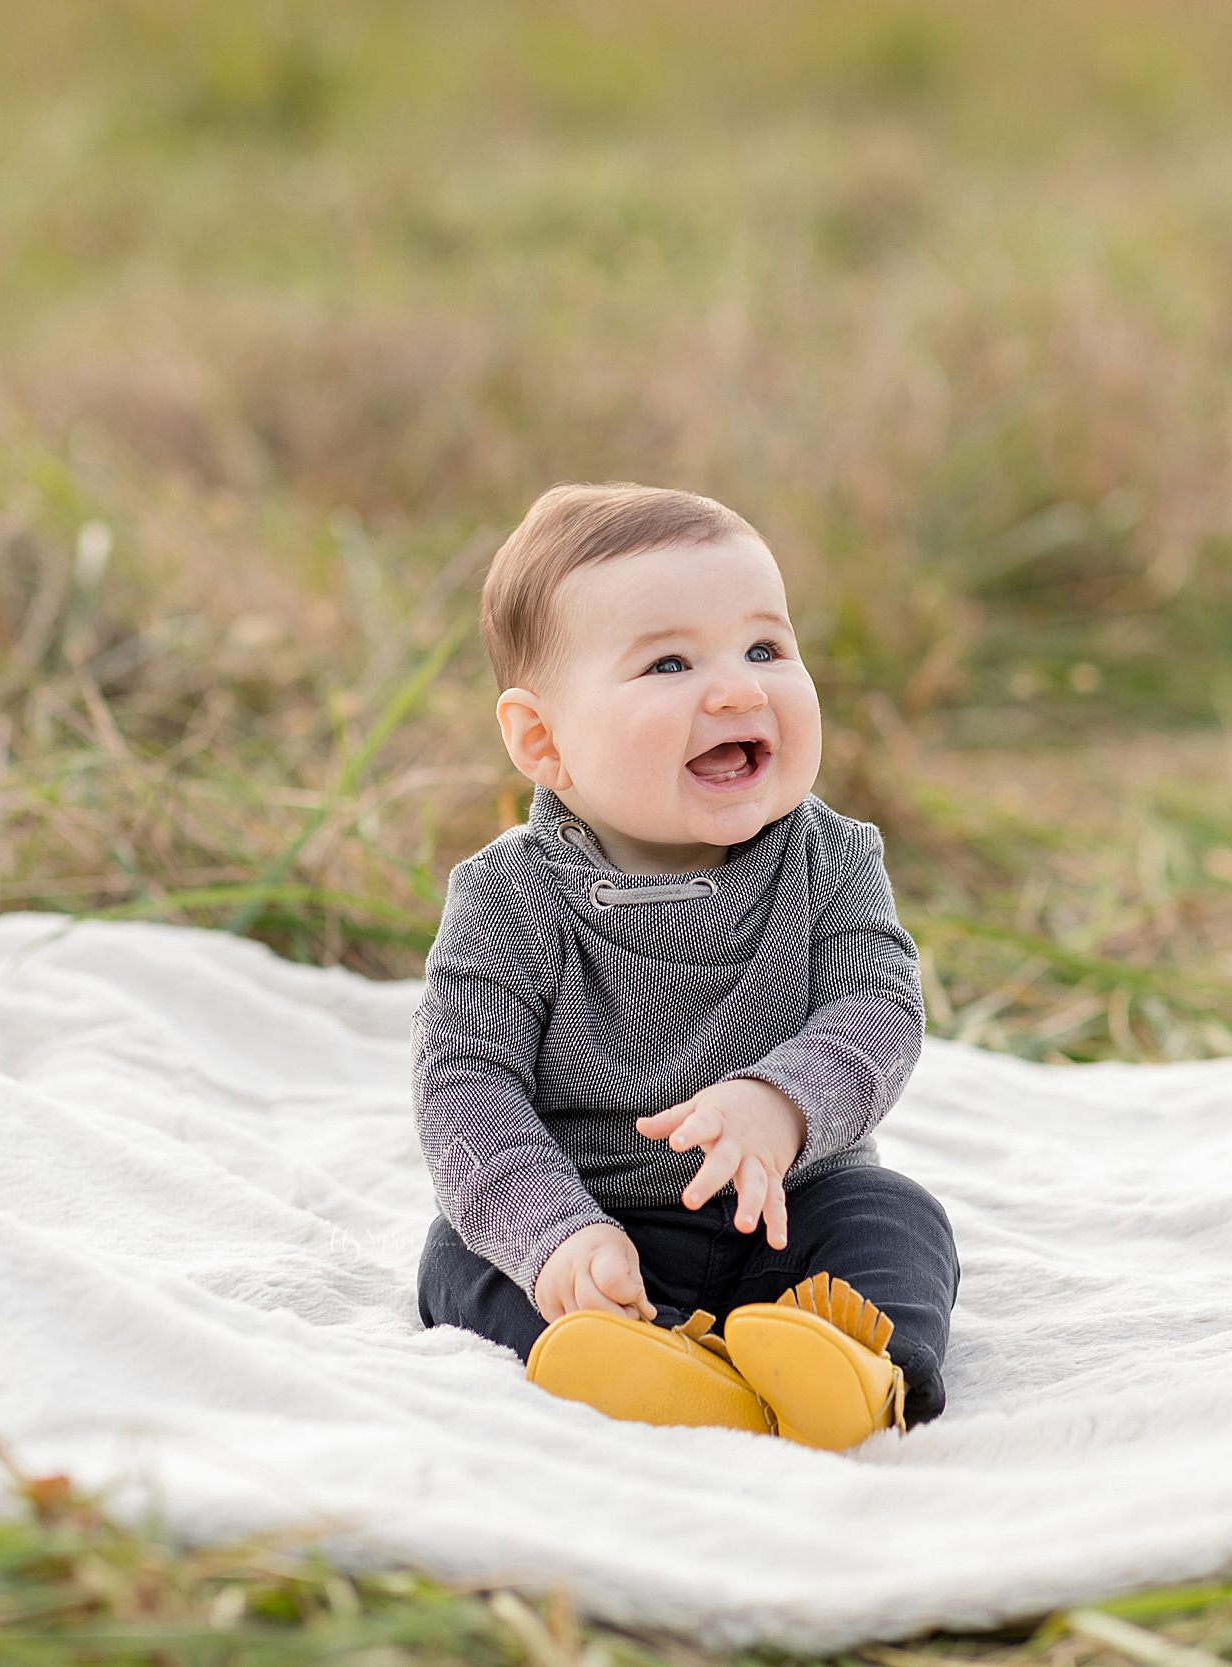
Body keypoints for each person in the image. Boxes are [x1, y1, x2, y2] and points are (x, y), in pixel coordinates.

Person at [411, 481, 959, 1450]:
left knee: (898, 1217)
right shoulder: (508, 898)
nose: (740, 689)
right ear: (542, 740)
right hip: (593, 1214)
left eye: (765, 648)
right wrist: (556, 1235)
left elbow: (878, 1005)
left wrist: (783, 1103)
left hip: (789, 1211)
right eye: (669, 661)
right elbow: (463, 1084)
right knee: (461, 1258)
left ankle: (854, 1364)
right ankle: (650, 1358)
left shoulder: (828, 857)